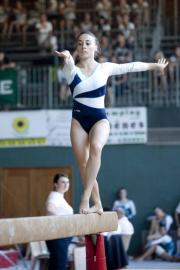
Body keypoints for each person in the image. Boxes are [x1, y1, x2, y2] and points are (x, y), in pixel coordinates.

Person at [54, 30, 168, 215]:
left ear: (96, 47)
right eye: (80, 43)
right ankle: (97, 203)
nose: (84, 46)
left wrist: (155, 66)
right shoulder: (71, 70)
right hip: (78, 121)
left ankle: (84, 199)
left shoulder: (104, 68)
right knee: (83, 165)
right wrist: (66, 57)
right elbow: (67, 62)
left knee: (97, 147)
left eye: (88, 43)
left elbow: (131, 66)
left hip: (100, 119)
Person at [46, 173, 73, 270]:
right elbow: (49, 208)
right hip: (57, 235)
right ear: (55, 184)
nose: (66, 184)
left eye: (67, 182)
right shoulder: (55, 195)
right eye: (63, 182)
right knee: (59, 265)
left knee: (58, 264)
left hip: (63, 235)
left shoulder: (60, 197)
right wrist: (63, 222)